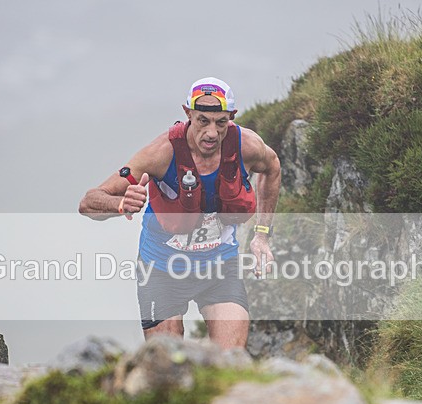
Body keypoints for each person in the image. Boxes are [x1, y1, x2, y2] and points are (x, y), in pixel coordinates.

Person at [78, 77, 281, 349]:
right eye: (202, 121)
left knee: (231, 359)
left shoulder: (247, 146)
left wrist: (262, 234)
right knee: (167, 365)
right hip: (162, 269)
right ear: (187, 114)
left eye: (221, 122)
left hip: (220, 266)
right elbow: (89, 202)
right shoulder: (160, 154)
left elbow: (273, 168)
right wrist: (120, 204)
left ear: (231, 117)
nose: (211, 132)